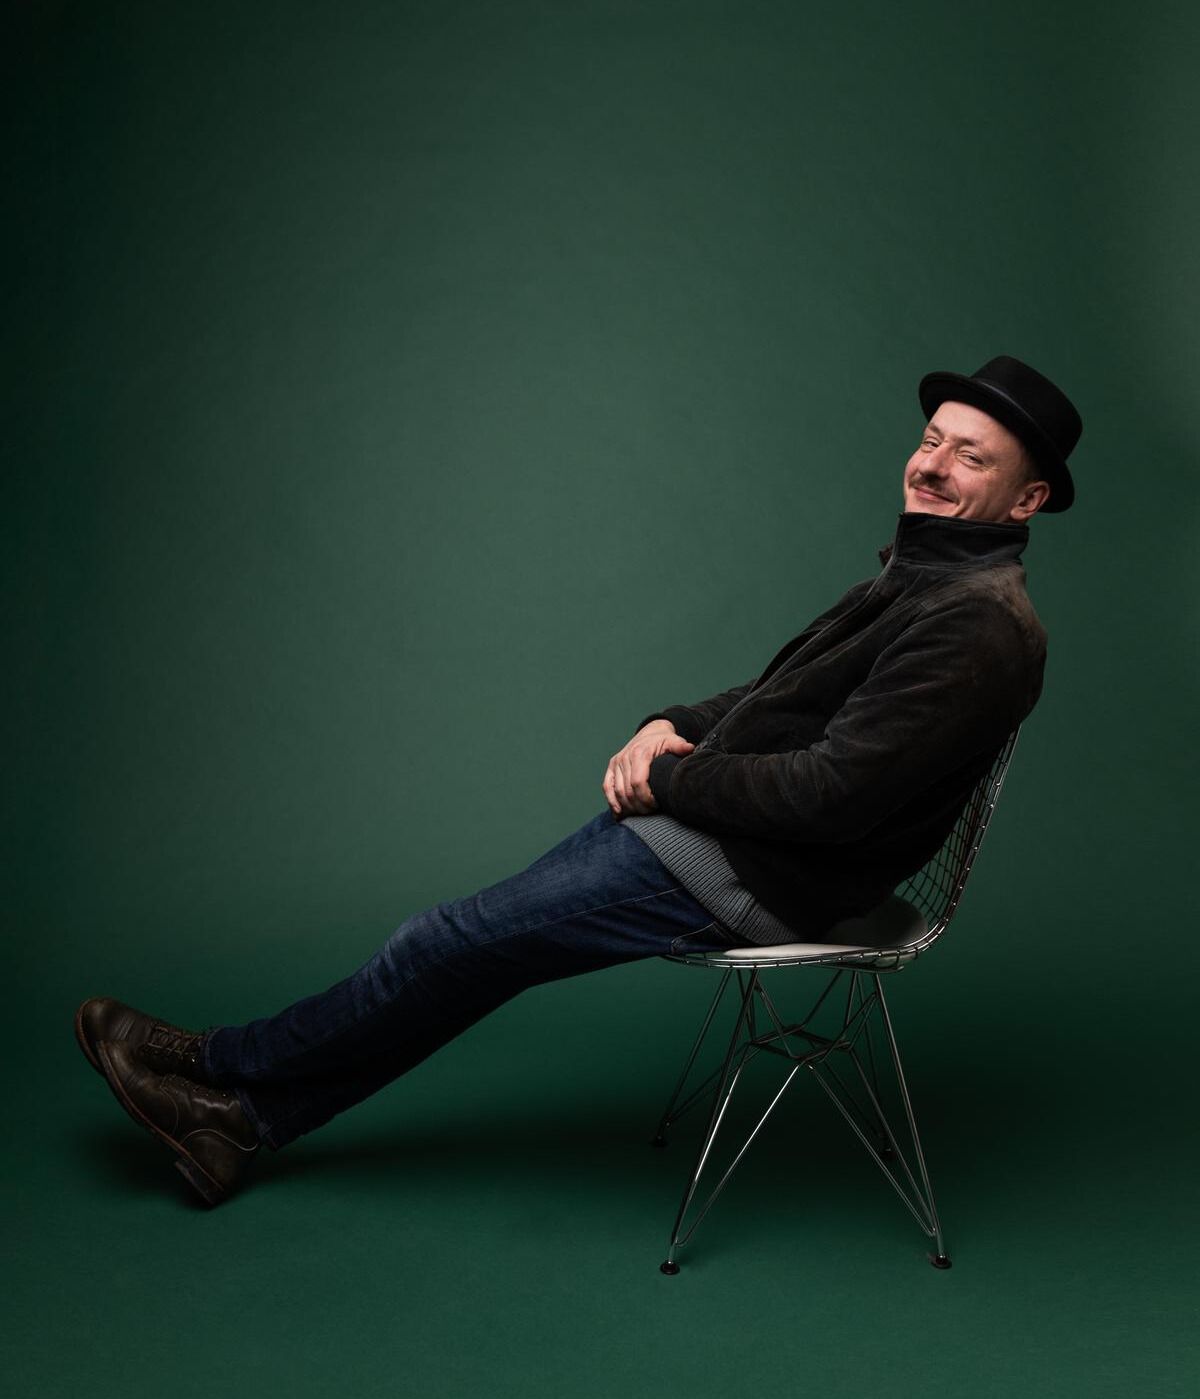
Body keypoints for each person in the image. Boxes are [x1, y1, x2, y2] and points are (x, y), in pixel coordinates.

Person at [76, 354, 1082, 1207]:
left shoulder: (977, 625)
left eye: (971, 456)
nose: (932, 464)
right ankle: (238, 1119)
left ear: (1027, 499)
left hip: (766, 875)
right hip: (728, 835)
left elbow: (833, 794)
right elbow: (781, 695)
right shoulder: (922, 578)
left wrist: (672, 781)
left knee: (445, 942)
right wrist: (672, 724)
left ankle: (218, 1069)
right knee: (463, 951)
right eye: (932, 440)